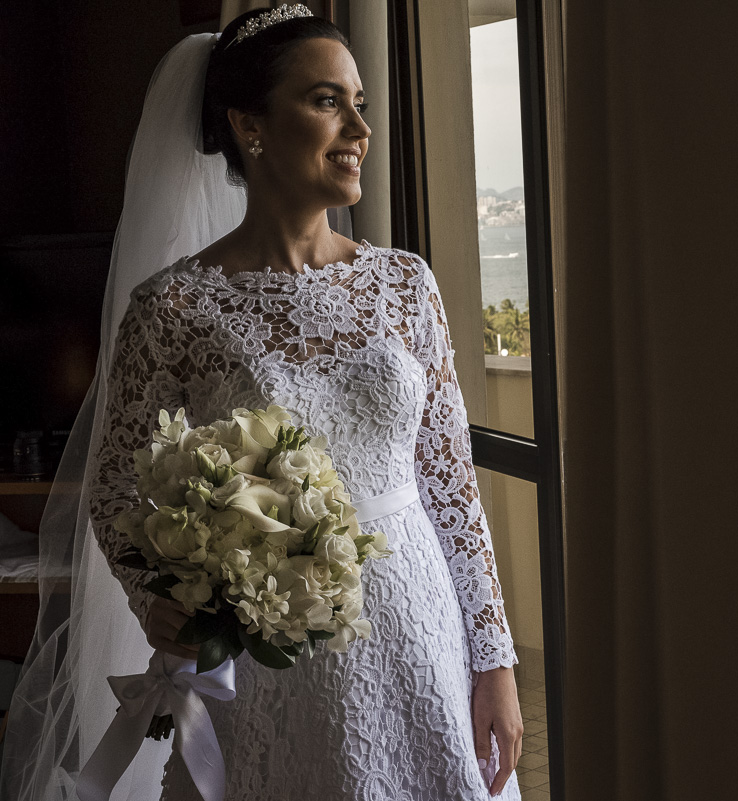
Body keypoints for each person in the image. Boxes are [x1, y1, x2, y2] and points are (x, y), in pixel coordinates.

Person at [2, 7, 523, 800]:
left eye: (361, 104)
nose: (359, 126)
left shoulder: (405, 284)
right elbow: (112, 493)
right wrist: (161, 606)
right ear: (250, 126)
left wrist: (495, 659)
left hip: (418, 628)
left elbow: (452, 487)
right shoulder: (173, 308)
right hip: (274, 657)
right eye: (326, 101)